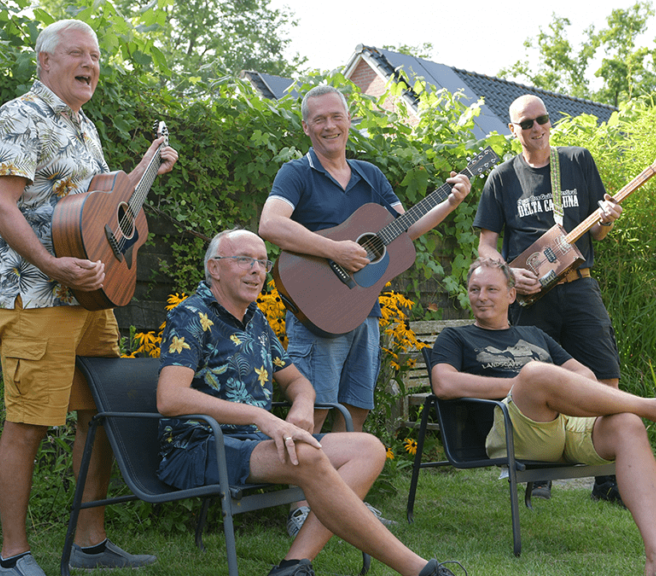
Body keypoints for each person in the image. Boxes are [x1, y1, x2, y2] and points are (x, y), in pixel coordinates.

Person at [0, 19, 178, 576]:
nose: (89, 63)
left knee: (98, 416)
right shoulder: (21, 116)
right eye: (76, 53)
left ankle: (90, 543)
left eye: (95, 55)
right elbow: (1, 205)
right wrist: (50, 264)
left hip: (90, 300)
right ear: (45, 62)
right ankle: (12, 557)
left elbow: (100, 208)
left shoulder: (84, 126)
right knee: (29, 423)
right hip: (35, 296)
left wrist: (146, 168)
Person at [155, 229, 464, 576]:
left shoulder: (255, 319)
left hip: (251, 444)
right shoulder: (190, 315)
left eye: (262, 261)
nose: (257, 270)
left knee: (369, 449)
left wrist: (302, 405)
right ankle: (418, 570)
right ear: (214, 268)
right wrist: (261, 417)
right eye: (244, 259)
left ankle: (292, 565)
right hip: (196, 448)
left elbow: (296, 380)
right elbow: (170, 397)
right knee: (309, 455)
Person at [259, 85, 472, 534]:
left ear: (349, 119)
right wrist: (335, 250)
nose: (330, 125)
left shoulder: (370, 175)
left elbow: (404, 230)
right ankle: (301, 506)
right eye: (320, 119)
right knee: (312, 408)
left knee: (354, 406)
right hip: (318, 311)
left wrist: (451, 201)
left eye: (336, 116)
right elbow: (270, 224)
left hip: (365, 313)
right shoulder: (296, 173)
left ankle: (339, 504)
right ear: (306, 127)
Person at [429, 258, 656, 576]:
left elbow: (583, 374)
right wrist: (526, 385)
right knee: (535, 373)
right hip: (517, 432)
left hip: (565, 423)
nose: (481, 296)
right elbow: (444, 383)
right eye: (474, 289)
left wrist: (553, 388)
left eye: (491, 288)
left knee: (627, 424)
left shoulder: (535, 334)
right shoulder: (456, 337)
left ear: (512, 295)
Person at [474, 93, 623, 503]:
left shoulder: (576, 161)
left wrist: (607, 219)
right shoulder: (502, 178)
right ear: (513, 130)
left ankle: (606, 476)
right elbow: (486, 245)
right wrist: (507, 273)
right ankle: (538, 473)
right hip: (530, 296)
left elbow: (598, 232)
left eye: (541, 119)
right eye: (526, 123)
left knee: (605, 374)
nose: (536, 128)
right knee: (533, 380)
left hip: (579, 284)